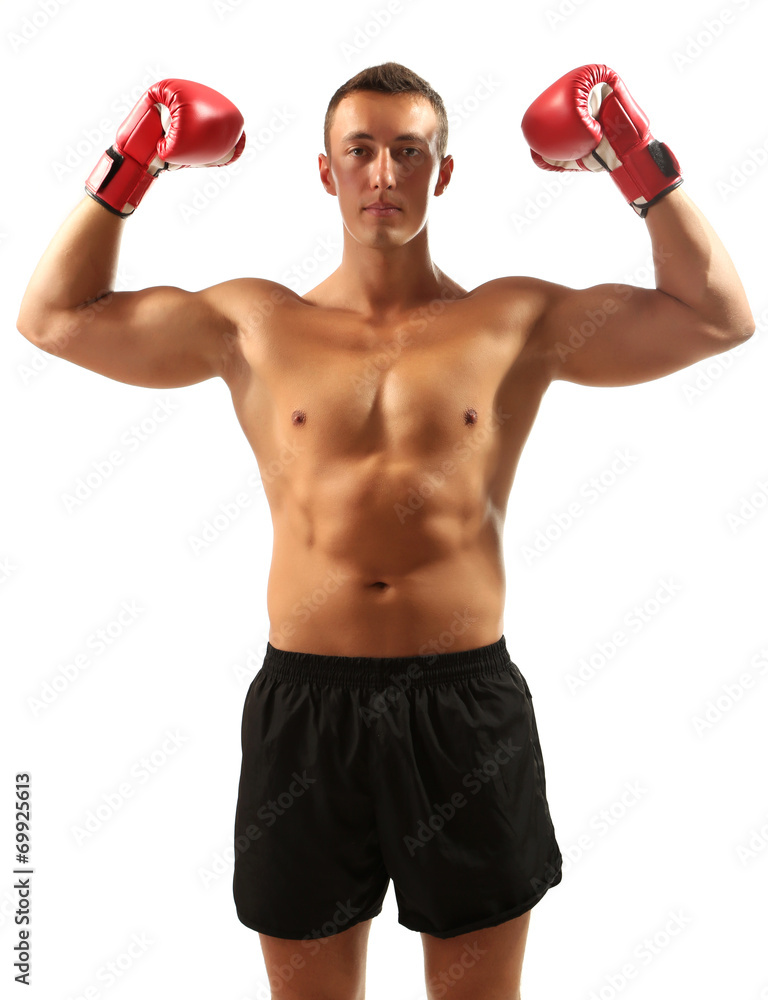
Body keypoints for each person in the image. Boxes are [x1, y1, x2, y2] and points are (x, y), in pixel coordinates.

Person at [16, 61, 754, 1000]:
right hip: (305, 713)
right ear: (326, 174)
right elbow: (51, 319)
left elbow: (718, 318)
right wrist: (136, 159)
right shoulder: (254, 323)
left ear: (443, 174)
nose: (384, 175)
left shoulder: (512, 319)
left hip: (465, 703)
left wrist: (629, 155)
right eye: (359, 152)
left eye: (410, 152)